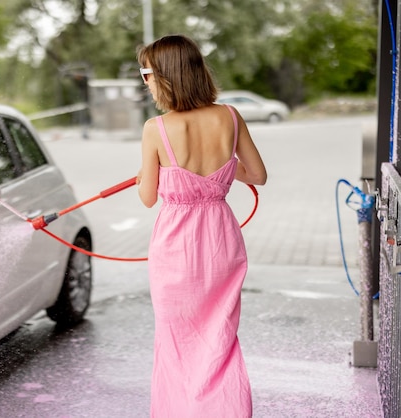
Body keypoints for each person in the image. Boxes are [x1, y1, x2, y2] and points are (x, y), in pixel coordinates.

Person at [135, 34, 267, 417]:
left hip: (176, 247)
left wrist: (152, 173)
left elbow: (147, 196)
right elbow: (256, 175)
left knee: (177, 344)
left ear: (165, 77)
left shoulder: (154, 128)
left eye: (146, 74)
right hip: (221, 242)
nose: (145, 83)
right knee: (219, 343)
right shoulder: (230, 115)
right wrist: (221, 169)